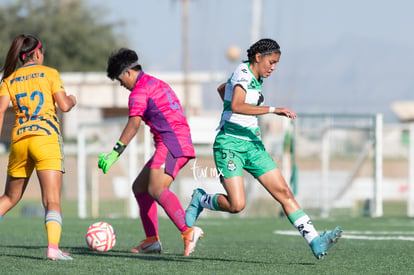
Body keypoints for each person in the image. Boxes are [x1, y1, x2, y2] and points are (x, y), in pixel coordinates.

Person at [185, 38, 342, 259]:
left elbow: (223, 88)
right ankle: (200, 199)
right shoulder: (243, 72)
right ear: (258, 57)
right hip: (230, 144)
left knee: (284, 193)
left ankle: (315, 241)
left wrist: (228, 102)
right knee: (237, 205)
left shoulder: (255, 77)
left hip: (253, 145)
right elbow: (238, 105)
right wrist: (273, 109)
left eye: (276, 63)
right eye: (271, 62)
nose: (273, 67)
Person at [98, 48, 203, 256]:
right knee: (140, 187)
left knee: (156, 188)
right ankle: (152, 240)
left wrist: (115, 152)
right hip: (175, 141)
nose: (122, 86)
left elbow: (133, 125)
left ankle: (188, 230)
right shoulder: (155, 82)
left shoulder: (139, 91)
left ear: (128, 72)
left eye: (120, 81)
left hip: (172, 143)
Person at [0, 34, 76, 260]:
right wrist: (73, 98)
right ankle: (53, 248)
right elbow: (63, 105)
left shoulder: (9, 79)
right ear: (38, 53)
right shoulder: (50, 73)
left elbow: (1, 110)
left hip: (20, 141)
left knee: (9, 198)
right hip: (46, 139)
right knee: (51, 200)